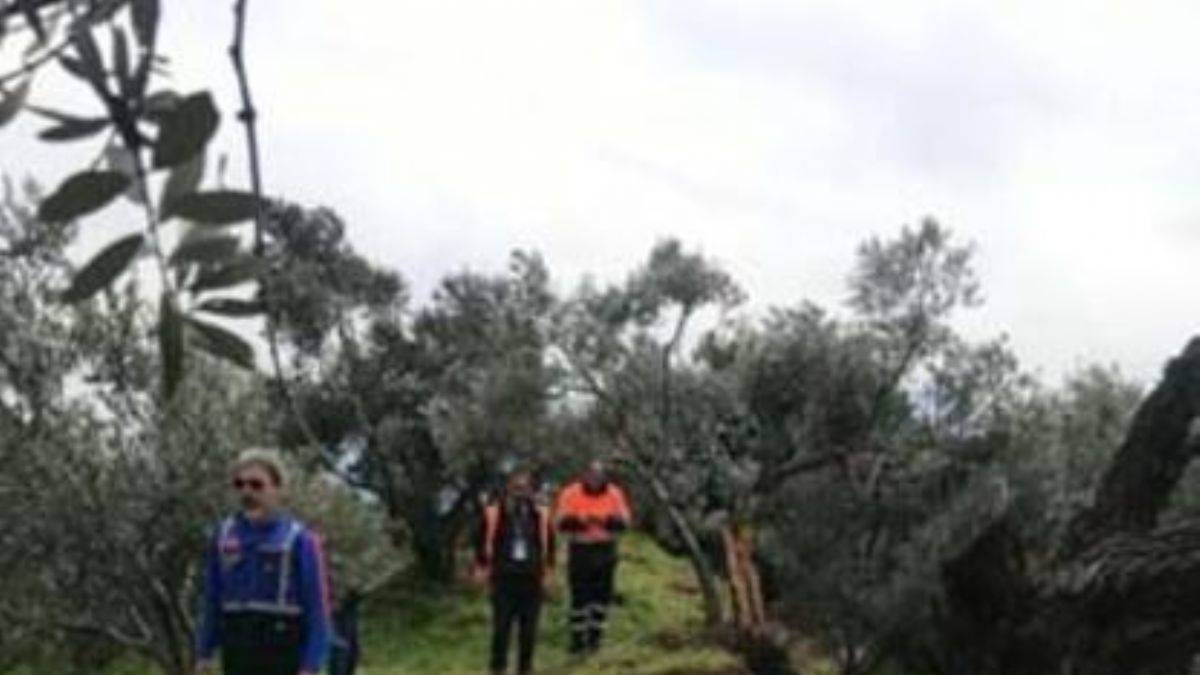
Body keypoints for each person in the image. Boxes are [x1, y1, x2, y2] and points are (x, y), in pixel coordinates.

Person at [195, 448, 333, 675]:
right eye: (240, 485)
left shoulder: (299, 540)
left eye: (256, 485)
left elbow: (317, 609)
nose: (247, 492)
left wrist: (311, 665)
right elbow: (212, 599)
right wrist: (204, 653)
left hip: (283, 651)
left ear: (276, 489)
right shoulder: (223, 536)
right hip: (238, 651)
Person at [474, 468, 555, 675]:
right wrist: (482, 568)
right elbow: (481, 541)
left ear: (530, 488)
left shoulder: (541, 514)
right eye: (516, 486)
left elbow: (549, 544)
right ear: (508, 487)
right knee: (501, 628)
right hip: (503, 578)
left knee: (528, 631)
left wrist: (548, 574)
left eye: (524, 486)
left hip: (531, 578)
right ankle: (497, 667)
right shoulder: (494, 512)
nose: (520, 490)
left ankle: (525, 668)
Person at [553, 459, 633, 656]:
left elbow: (624, 522)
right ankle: (577, 641)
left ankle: (595, 639)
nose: (595, 479)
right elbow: (561, 522)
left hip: (605, 549)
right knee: (579, 597)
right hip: (580, 549)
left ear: (604, 476)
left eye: (599, 475)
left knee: (602, 597)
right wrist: (583, 521)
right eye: (591, 475)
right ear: (585, 475)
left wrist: (604, 521)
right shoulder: (571, 493)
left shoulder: (614, 493)